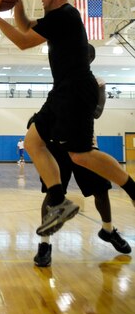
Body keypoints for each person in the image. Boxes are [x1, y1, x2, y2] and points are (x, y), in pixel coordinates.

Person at [0, 0, 135, 236]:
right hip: (61, 91)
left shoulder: (66, 14)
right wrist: (17, 3)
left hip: (77, 90)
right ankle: (58, 200)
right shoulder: (57, 18)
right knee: (32, 141)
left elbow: (23, 41)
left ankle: (133, 190)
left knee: (81, 155)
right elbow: (26, 26)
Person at [34, 43, 131, 266]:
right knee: (52, 194)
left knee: (101, 190)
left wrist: (74, 102)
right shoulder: (61, 79)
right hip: (56, 143)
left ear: (89, 59)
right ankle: (45, 244)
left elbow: (97, 112)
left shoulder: (96, 83)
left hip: (83, 142)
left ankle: (108, 230)